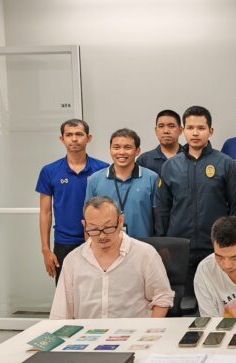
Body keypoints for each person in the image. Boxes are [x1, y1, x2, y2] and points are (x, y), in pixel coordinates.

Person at [156, 105, 236, 296]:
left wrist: (231, 241)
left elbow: (235, 206)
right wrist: (163, 242)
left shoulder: (225, 163)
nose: (195, 133)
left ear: (210, 131)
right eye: (190, 128)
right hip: (180, 245)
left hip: (216, 244)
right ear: (182, 130)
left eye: (201, 128)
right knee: (184, 299)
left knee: (219, 295)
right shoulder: (171, 166)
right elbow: (162, 208)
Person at [49, 196, 174, 319]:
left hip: (133, 334)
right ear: (84, 225)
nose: (102, 236)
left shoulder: (145, 254)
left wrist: (148, 333)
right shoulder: (73, 260)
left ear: (120, 221)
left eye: (108, 228)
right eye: (94, 229)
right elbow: (61, 312)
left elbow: (162, 297)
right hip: (88, 335)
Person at [36, 119, 108, 282]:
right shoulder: (49, 171)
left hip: (98, 241)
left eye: (79, 134)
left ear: (88, 138)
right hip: (64, 243)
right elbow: (45, 212)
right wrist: (46, 250)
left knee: (97, 293)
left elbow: (109, 208)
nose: (74, 139)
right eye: (69, 135)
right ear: (62, 139)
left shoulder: (103, 169)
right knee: (66, 295)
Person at [85, 128, 158, 238]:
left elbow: (158, 217)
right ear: (110, 149)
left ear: (137, 151)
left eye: (127, 147)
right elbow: (88, 219)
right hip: (106, 245)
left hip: (143, 246)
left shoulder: (151, 178)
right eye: (116, 147)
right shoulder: (95, 179)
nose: (121, 152)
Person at [137, 109, 184, 176]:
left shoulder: (189, 157)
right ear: (156, 131)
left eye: (171, 126)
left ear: (180, 130)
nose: (166, 131)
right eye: (161, 126)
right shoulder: (144, 160)